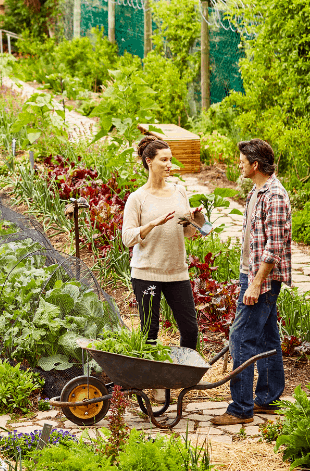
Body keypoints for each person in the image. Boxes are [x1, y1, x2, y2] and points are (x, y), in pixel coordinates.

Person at [212, 139, 291, 426]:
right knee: (267, 337)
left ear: (255, 165)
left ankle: (241, 408)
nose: (239, 164)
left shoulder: (275, 196)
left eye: (242, 161)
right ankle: (267, 399)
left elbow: (275, 247)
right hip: (251, 273)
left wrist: (256, 283)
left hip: (262, 279)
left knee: (241, 337)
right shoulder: (256, 192)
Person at [122, 135, 205, 350]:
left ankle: (185, 375)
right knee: (150, 332)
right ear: (149, 161)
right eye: (164, 160)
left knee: (190, 330)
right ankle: (153, 379)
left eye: (170, 160)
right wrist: (152, 224)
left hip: (177, 271)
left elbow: (188, 233)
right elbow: (127, 238)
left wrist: (197, 219)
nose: (170, 165)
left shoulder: (179, 191)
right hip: (146, 272)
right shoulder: (137, 198)